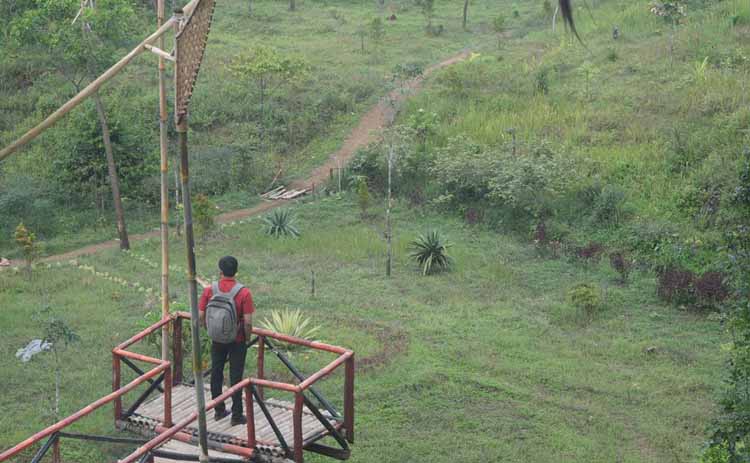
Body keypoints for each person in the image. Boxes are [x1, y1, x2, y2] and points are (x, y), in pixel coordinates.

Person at [199, 255, 255, 426]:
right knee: (236, 376)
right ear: (236, 271)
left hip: (217, 339)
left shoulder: (209, 290)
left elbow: (201, 316)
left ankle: (219, 410)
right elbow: (248, 321)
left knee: (216, 372)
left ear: (220, 271)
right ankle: (237, 415)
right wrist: (247, 338)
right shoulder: (244, 292)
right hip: (236, 339)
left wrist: (209, 329)